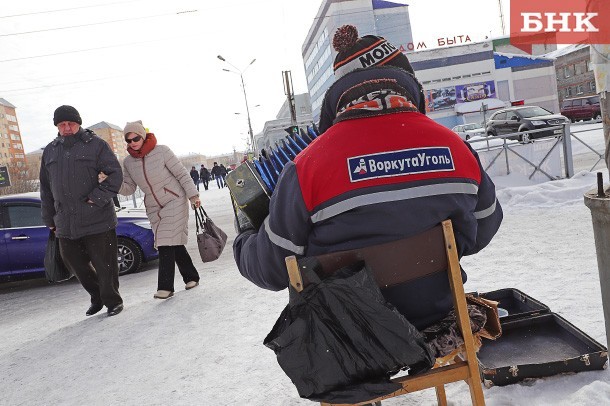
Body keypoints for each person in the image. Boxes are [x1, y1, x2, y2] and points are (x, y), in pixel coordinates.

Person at [233, 25, 503, 330]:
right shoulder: (456, 148)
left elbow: (271, 269)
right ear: (405, 80)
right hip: (438, 318)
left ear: (341, 91)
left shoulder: (305, 167)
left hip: (349, 340)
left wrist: (244, 234)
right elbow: (484, 226)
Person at [40, 105, 124, 317]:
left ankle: (112, 301)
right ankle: (97, 295)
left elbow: (115, 175)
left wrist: (96, 198)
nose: (67, 128)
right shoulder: (50, 150)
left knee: (105, 265)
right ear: (57, 126)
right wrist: (49, 216)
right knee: (74, 262)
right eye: (62, 124)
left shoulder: (96, 145)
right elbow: (45, 187)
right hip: (65, 221)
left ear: (78, 123)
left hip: (97, 217)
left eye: (71, 123)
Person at [118, 121, 201, 299]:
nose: (132, 142)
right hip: (153, 207)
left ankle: (165, 287)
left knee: (164, 241)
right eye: (129, 140)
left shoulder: (162, 151)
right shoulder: (128, 162)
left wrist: (193, 196)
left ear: (143, 135)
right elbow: (129, 189)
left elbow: (181, 174)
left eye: (136, 138)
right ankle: (191, 277)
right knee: (173, 242)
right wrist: (113, 181)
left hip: (175, 200)